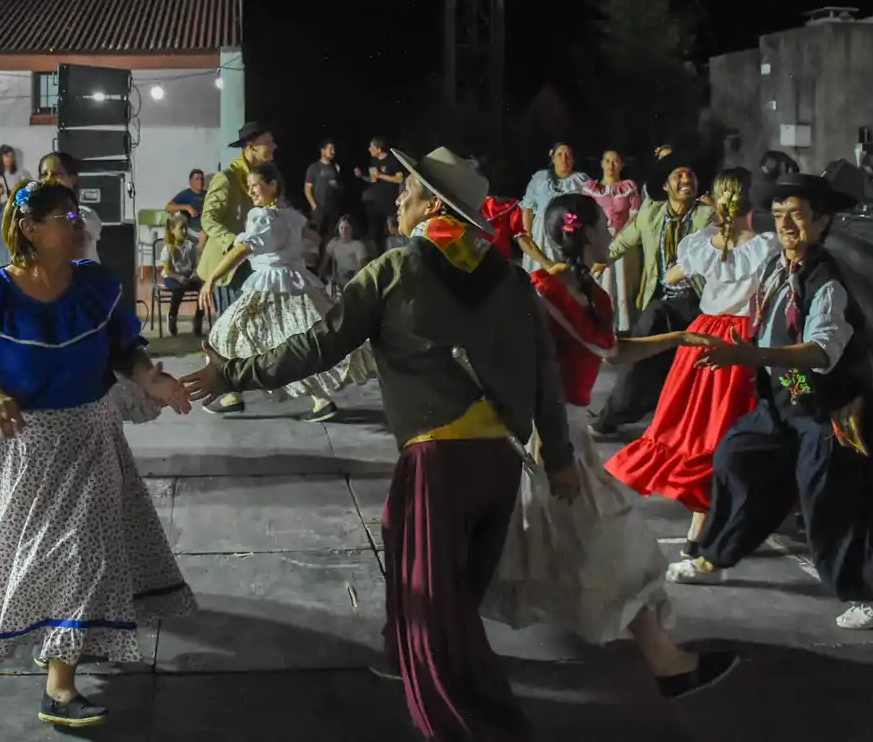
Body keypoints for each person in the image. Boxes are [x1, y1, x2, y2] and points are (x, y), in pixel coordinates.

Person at [181, 147, 585, 742]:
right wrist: (560, 456)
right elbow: (544, 373)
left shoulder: (393, 271)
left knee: (434, 611)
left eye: (410, 192)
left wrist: (232, 373)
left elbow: (319, 345)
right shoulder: (510, 278)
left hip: (437, 460)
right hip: (499, 459)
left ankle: (472, 723)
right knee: (429, 566)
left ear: (434, 207)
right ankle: (408, 660)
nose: (398, 198)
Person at [0, 179, 195, 728]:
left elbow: (127, 350)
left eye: (78, 215)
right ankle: (62, 649)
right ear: (30, 229)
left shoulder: (96, 286)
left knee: (83, 551)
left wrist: (153, 379)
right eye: (67, 217)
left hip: (91, 435)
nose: (78, 225)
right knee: (50, 554)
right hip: (26, 446)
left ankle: (59, 685)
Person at [481, 193, 738, 696]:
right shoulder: (542, 289)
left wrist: (677, 339)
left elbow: (612, 351)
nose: (610, 235)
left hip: (566, 432)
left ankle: (433, 648)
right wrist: (542, 442)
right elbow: (555, 360)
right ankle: (668, 664)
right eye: (603, 226)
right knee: (600, 539)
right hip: (546, 435)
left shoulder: (588, 295)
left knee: (561, 545)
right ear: (583, 234)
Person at [666, 173, 873, 631]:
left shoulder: (827, 282)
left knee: (834, 501)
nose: (787, 225)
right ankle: (715, 557)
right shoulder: (777, 267)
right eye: (779, 216)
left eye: (797, 215)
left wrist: (751, 354)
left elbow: (819, 350)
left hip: (832, 412)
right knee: (737, 457)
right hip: (784, 401)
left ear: (822, 222)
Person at [608, 169, 776, 556]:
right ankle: (726, 519)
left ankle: (699, 526)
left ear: (715, 203)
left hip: (703, 338)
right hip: (741, 341)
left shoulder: (703, 244)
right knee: (730, 428)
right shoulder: (762, 247)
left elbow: (672, 275)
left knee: (696, 429)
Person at [199, 164, 376, 423]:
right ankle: (316, 399)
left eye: (255, 185)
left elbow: (243, 249)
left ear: (272, 184)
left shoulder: (262, 216)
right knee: (303, 339)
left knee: (226, 333)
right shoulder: (292, 215)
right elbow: (311, 240)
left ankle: (232, 394)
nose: (251, 191)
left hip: (270, 285)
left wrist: (212, 277)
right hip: (297, 282)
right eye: (248, 187)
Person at [590, 154, 713, 436]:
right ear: (666, 186)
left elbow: (727, 237)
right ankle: (611, 416)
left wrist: (720, 212)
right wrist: (597, 262)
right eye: (678, 176)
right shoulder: (650, 213)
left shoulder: (706, 215)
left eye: (690, 176)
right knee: (642, 353)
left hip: (699, 303)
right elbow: (623, 241)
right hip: (662, 301)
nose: (686, 181)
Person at [197, 121, 277, 320]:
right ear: (251, 147)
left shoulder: (265, 178)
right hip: (229, 267)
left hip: (253, 263)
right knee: (232, 329)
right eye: (268, 142)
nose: (274, 146)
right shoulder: (226, 178)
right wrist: (233, 241)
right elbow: (208, 219)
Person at [583, 148, 642, 332]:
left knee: (623, 285)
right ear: (601, 164)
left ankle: (623, 326)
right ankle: (601, 325)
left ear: (621, 164)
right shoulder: (591, 189)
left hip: (623, 240)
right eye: (607, 161)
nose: (611, 165)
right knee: (602, 283)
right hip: (600, 240)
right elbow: (586, 215)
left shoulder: (629, 187)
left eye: (615, 161)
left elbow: (635, 216)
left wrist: (621, 235)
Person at [520, 142, 590, 273]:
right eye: (559, 155)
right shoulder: (540, 178)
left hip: (569, 232)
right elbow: (527, 207)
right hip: (542, 232)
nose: (564, 159)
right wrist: (528, 233)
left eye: (568, 155)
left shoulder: (581, 180)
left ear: (573, 159)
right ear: (553, 159)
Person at [38, 152, 102, 262]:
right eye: (44, 175)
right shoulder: (34, 216)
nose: (49, 180)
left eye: (57, 175)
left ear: (73, 180)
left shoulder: (86, 214)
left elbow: (76, 223)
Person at [159, 212, 203, 337]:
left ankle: (198, 318)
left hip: (187, 277)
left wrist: (194, 274)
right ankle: (172, 316)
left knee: (203, 287)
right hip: (172, 277)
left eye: (186, 228)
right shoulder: (168, 248)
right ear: (173, 230)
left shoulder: (191, 246)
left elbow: (196, 265)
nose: (184, 231)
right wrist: (179, 277)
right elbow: (167, 270)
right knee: (179, 288)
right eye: (181, 228)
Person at [355, 136, 404, 246]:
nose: (369, 149)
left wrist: (381, 175)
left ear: (379, 149)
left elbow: (399, 178)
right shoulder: (374, 160)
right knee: (375, 227)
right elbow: (373, 180)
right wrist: (361, 176)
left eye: (371, 147)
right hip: (378, 199)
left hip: (390, 199)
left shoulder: (392, 160)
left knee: (391, 229)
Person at [0, 145, 26, 265]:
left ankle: (12, 263)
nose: (9, 159)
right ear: (1, 157)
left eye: (11, 156)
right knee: (1, 237)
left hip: (14, 208)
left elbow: (24, 190)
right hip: (0, 208)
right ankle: (3, 264)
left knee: (13, 236)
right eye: (6, 156)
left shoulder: (18, 174)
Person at [304, 138, 345, 241]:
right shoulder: (314, 168)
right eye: (330, 149)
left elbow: (340, 187)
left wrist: (337, 185)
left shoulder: (336, 167)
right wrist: (314, 206)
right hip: (319, 208)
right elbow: (307, 189)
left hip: (333, 208)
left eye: (334, 149)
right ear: (322, 150)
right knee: (316, 236)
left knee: (332, 236)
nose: (333, 152)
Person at [323, 214, 372, 285]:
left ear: (352, 229)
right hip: (341, 273)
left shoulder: (358, 245)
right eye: (341, 228)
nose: (344, 231)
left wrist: (356, 278)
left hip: (355, 273)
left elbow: (361, 265)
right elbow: (325, 259)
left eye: (347, 228)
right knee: (342, 276)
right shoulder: (334, 242)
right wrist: (320, 272)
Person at [165, 169, 207, 234]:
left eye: (202, 179)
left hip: (208, 224)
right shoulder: (186, 194)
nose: (200, 182)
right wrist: (187, 207)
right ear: (190, 181)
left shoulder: (208, 194)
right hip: (193, 228)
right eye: (197, 179)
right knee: (203, 234)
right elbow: (168, 207)